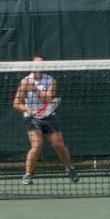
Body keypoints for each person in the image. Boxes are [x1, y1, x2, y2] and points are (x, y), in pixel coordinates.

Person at [12, 56, 78, 185]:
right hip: (32, 118)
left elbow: (47, 100)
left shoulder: (51, 81)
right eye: (36, 64)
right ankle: (28, 175)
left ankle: (69, 169)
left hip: (49, 116)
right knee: (36, 145)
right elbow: (16, 103)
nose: (39, 66)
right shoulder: (25, 81)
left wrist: (35, 89)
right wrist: (28, 110)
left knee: (58, 145)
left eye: (42, 64)